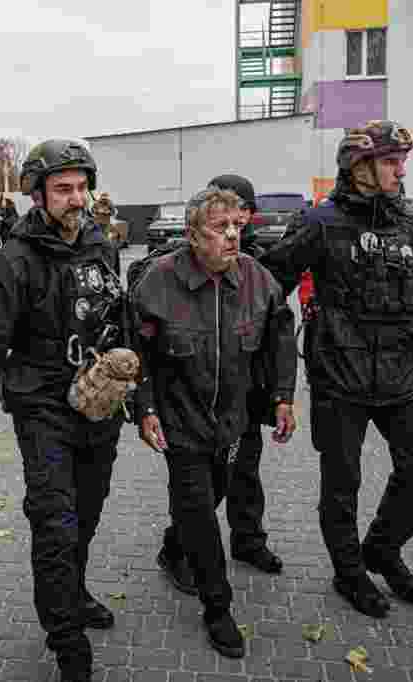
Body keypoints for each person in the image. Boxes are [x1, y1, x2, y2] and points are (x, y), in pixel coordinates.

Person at [260, 121, 413, 618]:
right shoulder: (320, 222)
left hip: (402, 372)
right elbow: (270, 284)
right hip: (338, 374)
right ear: (360, 166)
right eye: (392, 161)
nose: (401, 170)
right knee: (342, 483)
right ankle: (349, 572)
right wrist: (265, 358)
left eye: (401, 161)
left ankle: (383, 550)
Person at [0, 139, 127, 682]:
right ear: (37, 195)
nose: (76, 199)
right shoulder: (10, 264)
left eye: (81, 187)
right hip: (42, 409)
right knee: (56, 523)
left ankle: (72, 594)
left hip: (97, 406)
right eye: (63, 189)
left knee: (88, 515)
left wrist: (134, 391)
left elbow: (116, 323)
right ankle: (67, 644)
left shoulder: (102, 247)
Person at [131, 187, 297, 658]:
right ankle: (217, 608)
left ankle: (171, 544)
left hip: (232, 424)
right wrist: (143, 410)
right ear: (191, 235)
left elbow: (280, 339)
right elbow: (135, 354)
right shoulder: (159, 283)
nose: (231, 237)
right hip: (180, 422)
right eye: (218, 229)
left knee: (212, 496)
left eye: (237, 228)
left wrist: (284, 397)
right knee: (203, 517)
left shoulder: (256, 279)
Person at [206, 173, 285, 573]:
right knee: (207, 482)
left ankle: (248, 541)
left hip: (250, 391)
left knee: (246, 473)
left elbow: (279, 330)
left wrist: (280, 393)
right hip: (207, 396)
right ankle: (182, 545)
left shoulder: (264, 263)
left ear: (250, 214)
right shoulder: (194, 255)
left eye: (240, 209)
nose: (232, 218)